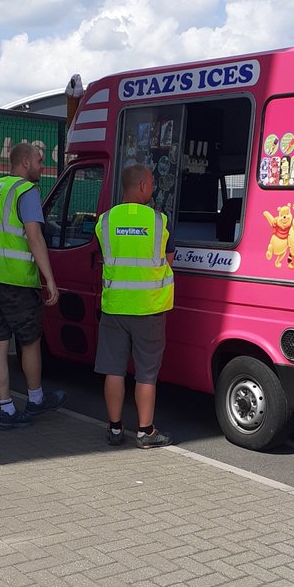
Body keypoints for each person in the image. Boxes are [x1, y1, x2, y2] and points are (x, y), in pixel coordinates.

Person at [0, 142, 65, 431]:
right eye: (38, 161)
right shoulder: (26, 192)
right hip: (15, 279)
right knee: (29, 341)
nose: (41, 167)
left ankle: (6, 409)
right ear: (24, 162)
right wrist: (49, 278)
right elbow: (35, 238)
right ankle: (35, 399)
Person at [94, 163, 174, 448]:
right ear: (142, 186)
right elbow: (169, 261)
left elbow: (105, 258)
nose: (152, 188)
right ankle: (146, 432)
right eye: (151, 183)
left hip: (114, 307)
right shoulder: (159, 221)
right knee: (146, 374)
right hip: (149, 309)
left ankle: (115, 429)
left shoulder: (104, 221)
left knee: (114, 370)